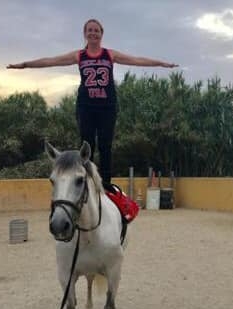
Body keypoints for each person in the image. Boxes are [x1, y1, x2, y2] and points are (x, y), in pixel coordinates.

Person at [7, 18, 178, 196]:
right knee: (86, 145)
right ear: (85, 34)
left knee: (106, 145)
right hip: (86, 106)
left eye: (96, 30)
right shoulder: (79, 55)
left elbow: (136, 60)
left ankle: (106, 184)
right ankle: (87, 180)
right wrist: (25, 65)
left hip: (107, 106)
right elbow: (51, 61)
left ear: (101, 34)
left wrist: (161, 63)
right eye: (90, 30)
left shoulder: (110, 54)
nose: (93, 33)